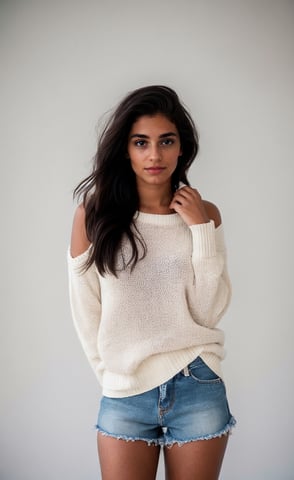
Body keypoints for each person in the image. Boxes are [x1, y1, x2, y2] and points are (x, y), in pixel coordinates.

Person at [68, 85, 236, 480]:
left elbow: (209, 309)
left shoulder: (205, 213)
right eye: (141, 142)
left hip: (198, 383)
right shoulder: (93, 216)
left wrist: (200, 230)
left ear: (182, 148)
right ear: (126, 150)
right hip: (124, 395)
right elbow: (85, 310)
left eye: (166, 141)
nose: (155, 155)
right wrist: (113, 378)